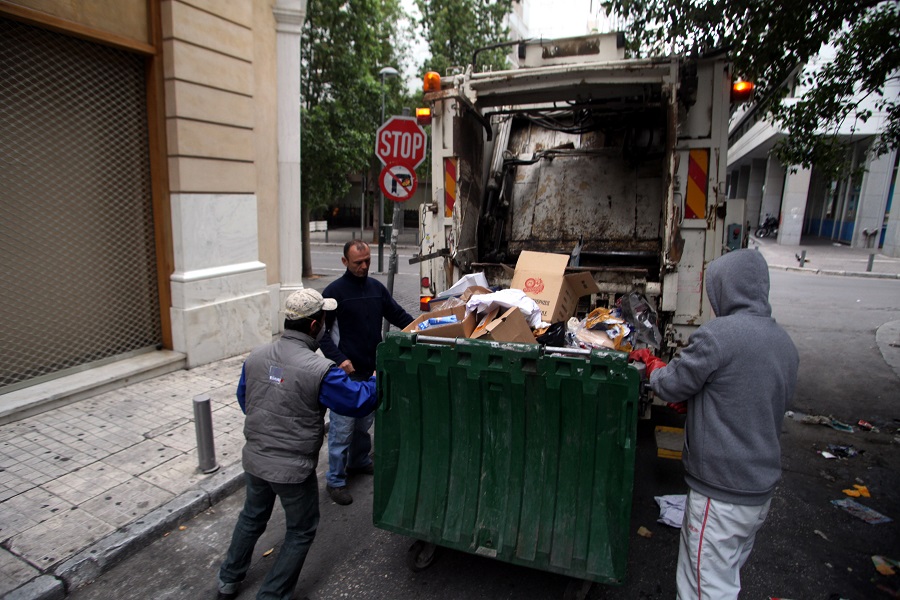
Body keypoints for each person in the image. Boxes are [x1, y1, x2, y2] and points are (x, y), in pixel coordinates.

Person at [629, 249, 799, 600]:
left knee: (703, 590)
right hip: (757, 494)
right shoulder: (784, 344)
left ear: (725, 290)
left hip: (721, 494)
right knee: (724, 577)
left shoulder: (718, 336)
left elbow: (671, 384)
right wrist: (703, 407)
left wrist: (650, 363)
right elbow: (748, 401)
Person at [215, 289, 378, 600]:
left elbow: (245, 399)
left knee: (252, 516)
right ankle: (272, 594)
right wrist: (376, 377)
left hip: (255, 459)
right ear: (316, 325)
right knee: (301, 529)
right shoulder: (319, 370)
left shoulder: (256, 356)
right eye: (325, 321)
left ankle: (228, 580)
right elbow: (359, 401)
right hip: (292, 469)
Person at [318, 240, 414, 505]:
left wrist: (422, 330)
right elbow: (321, 335)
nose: (364, 266)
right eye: (358, 262)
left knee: (364, 425)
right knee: (341, 430)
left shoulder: (376, 289)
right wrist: (339, 359)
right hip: (346, 377)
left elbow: (399, 315)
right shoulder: (334, 292)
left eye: (367, 261)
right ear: (344, 262)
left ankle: (359, 461)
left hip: (371, 373)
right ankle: (335, 480)